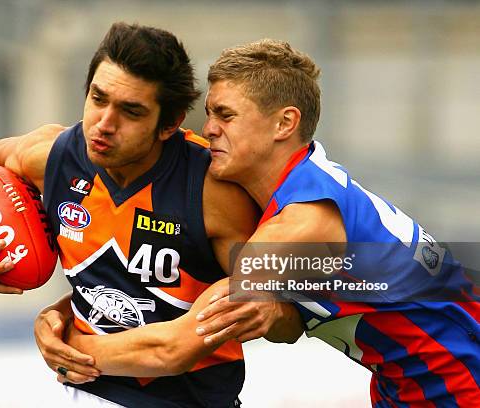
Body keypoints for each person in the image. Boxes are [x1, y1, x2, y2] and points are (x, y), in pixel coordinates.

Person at [0, 23, 302, 407]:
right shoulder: (53, 156)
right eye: (98, 98)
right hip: (85, 390)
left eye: (130, 111)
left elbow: (287, 323)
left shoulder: (214, 194)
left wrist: (271, 311)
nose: (104, 125)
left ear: (170, 124)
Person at [195, 39, 480, 406]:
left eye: (225, 115)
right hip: (405, 387)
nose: (208, 129)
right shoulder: (308, 180)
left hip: (457, 387)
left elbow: (189, 336)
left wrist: (98, 352)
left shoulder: (302, 223)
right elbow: (288, 326)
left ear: (285, 123)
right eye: (209, 113)